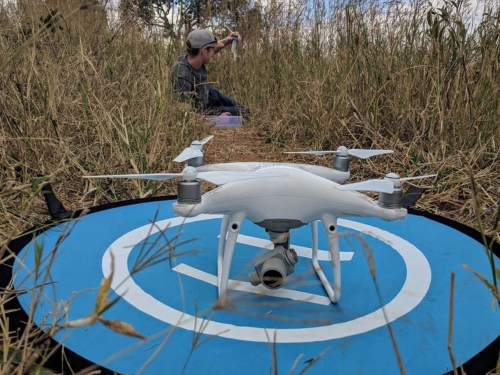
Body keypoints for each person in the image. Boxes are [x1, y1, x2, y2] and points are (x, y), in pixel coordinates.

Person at [169, 29, 250, 118]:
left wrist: (227, 40)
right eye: (211, 49)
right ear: (204, 51)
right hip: (202, 108)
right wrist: (215, 120)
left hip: (207, 92)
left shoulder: (192, 52)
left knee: (242, 108)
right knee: (244, 113)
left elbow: (209, 48)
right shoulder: (181, 75)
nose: (213, 52)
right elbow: (184, 113)